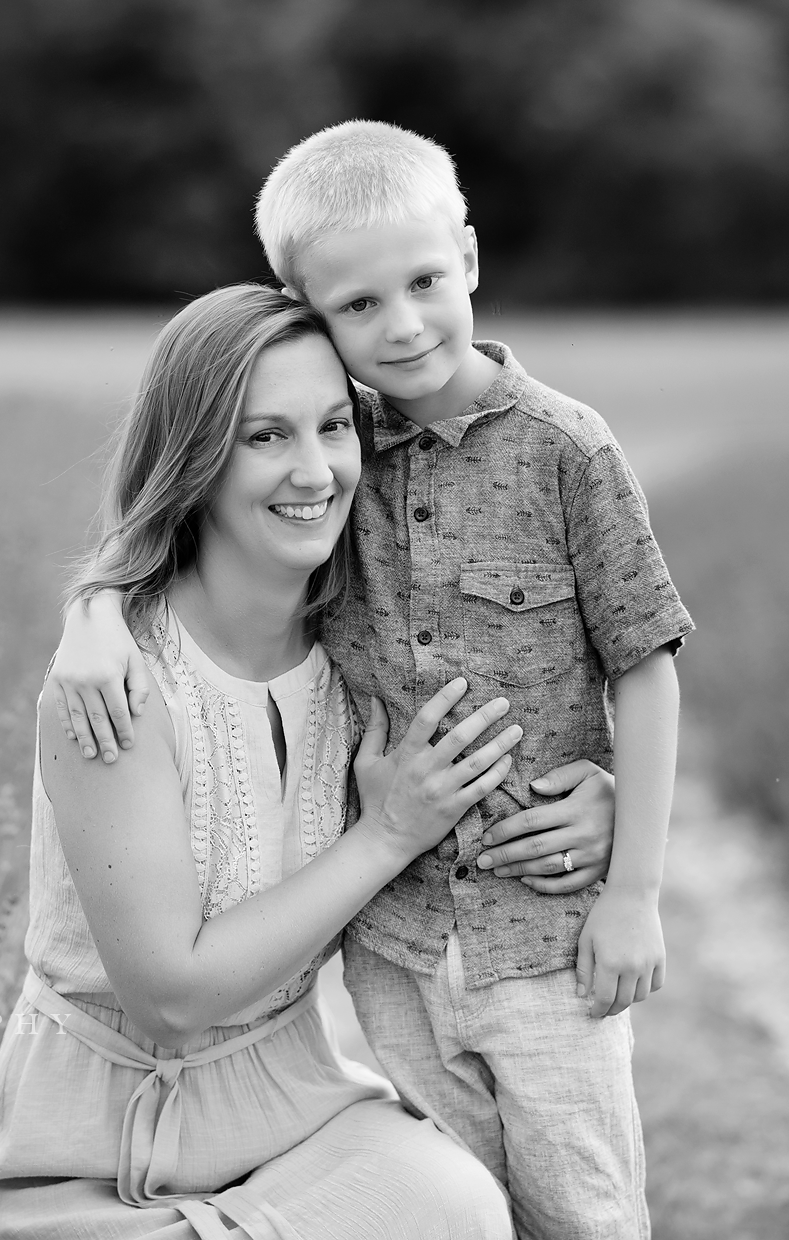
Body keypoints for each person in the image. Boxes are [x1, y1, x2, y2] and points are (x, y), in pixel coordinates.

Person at [48, 121, 694, 1239]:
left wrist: (633, 869)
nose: (400, 326)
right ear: (305, 308)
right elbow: (170, 531)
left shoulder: (566, 451)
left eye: (425, 283)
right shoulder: (338, 456)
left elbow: (645, 660)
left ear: (472, 260)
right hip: (390, 949)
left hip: (537, 932)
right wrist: (91, 613)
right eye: (356, 306)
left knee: (584, 1212)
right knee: (464, 1209)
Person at [0, 283, 532, 1239]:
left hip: (298, 1117)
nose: (314, 470)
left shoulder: (367, 654)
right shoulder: (116, 685)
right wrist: (386, 834)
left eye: (333, 427)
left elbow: (539, 720)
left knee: (457, 1207)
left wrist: (596, 801)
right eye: (264, 437)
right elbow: (170, 999)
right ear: (196, 463)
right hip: (94, 1162)